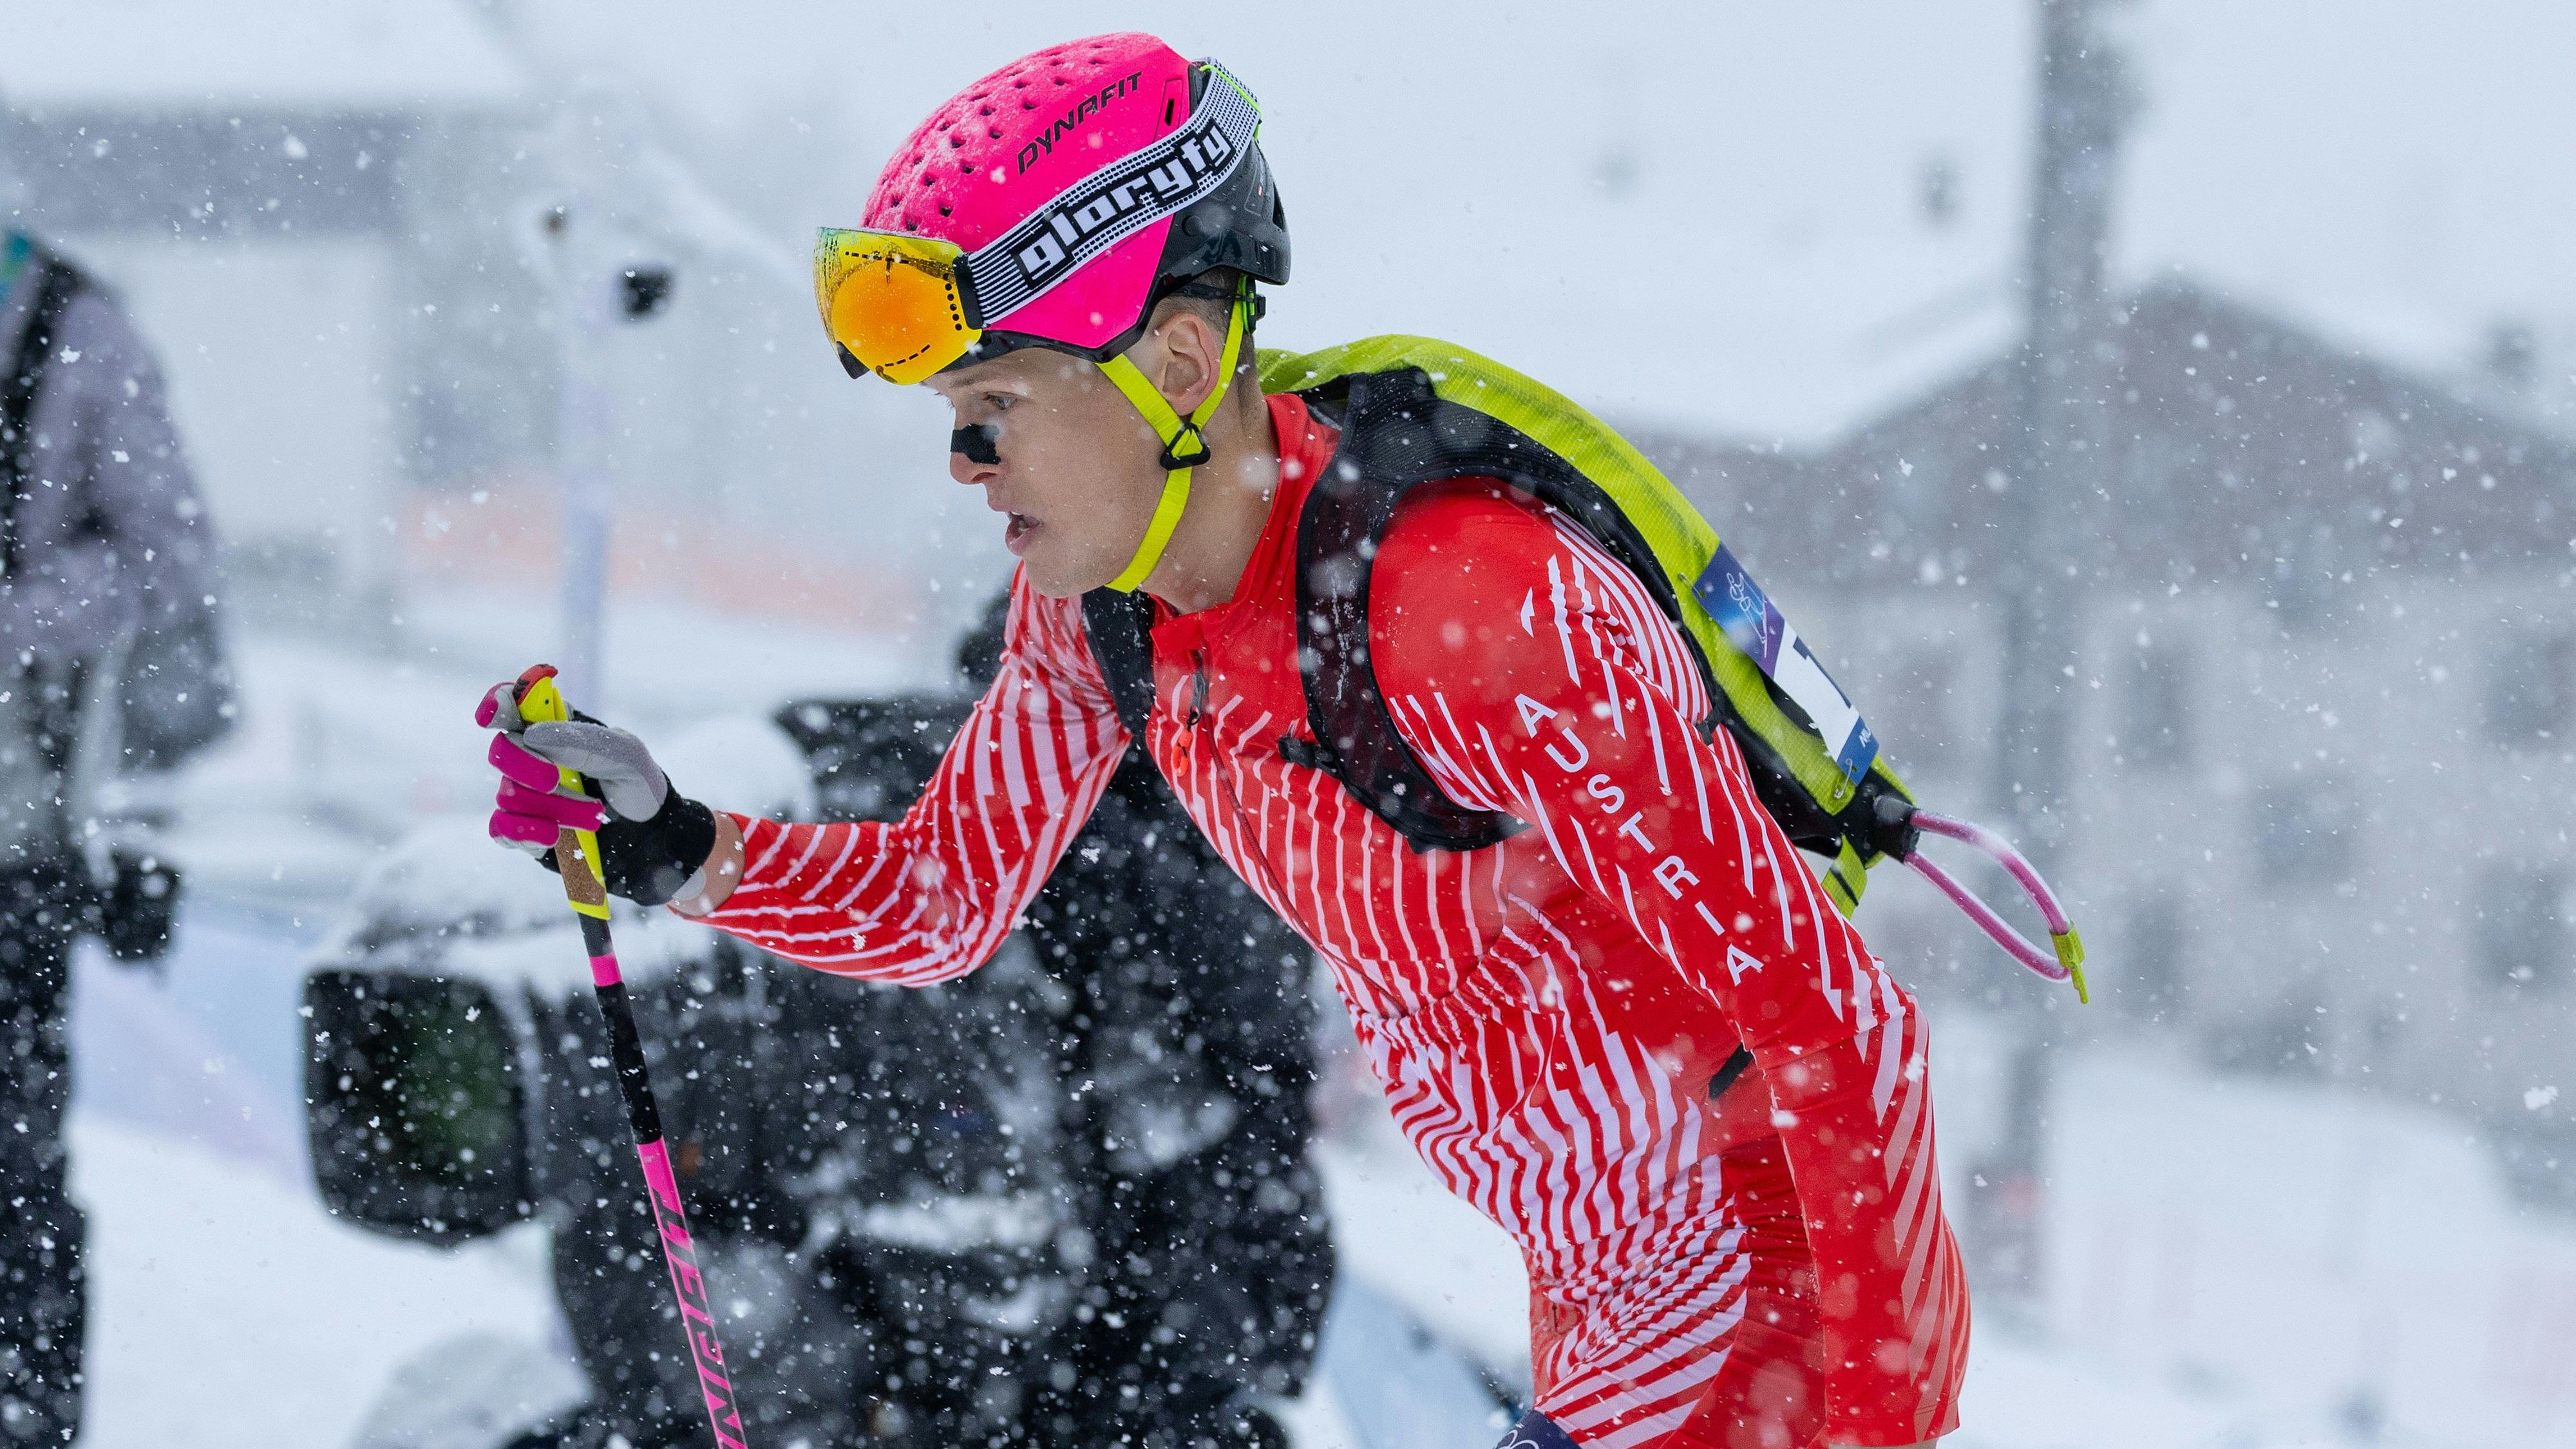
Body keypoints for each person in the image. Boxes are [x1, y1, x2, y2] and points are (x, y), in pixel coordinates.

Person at [480, 33, 1965, 1449]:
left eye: (995, 405)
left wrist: (1872, 1417)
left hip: (1773, 1280)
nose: (961, 460)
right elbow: (943, 898)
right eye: (950, 414)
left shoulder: (1476, 608)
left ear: (1178, 366)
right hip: (1604, 1281)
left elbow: (1843, 1036)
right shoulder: (1101, 613)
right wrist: (678, 844)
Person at [0, 213, 222, 1441]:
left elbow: (171, 555)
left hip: (22, 836)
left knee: (16, 1166)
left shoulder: (76, 337)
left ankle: (31, 1412)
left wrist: (17, 616)